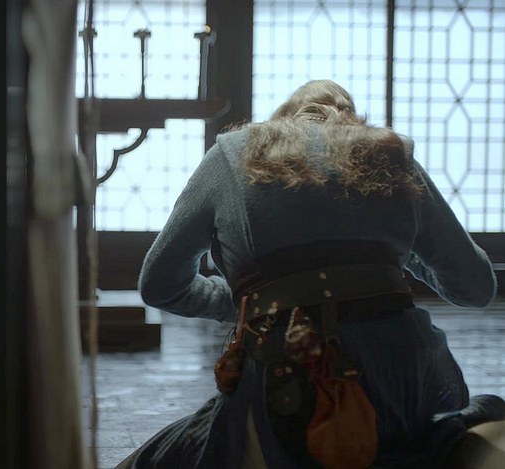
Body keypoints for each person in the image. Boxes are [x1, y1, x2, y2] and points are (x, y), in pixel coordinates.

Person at [117, 80, 505, 468]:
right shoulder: (389, 153)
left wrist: (246, 303)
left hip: (285, 380)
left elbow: (159, 285)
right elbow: (475, 287)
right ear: (351, 122)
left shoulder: (232, 155)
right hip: (408, 375)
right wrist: (399, 259)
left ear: (281, 121)